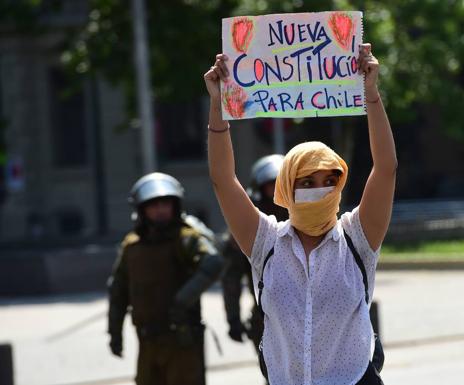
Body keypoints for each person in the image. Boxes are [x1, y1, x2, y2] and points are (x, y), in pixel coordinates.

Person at [204, 42, 396, 385]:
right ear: (287, 188)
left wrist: (372, 95)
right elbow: (222, 179)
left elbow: (385, 169)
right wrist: (218, 104)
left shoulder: (358, 239)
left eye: (329, 180)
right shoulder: (266, 242)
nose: (319, 189)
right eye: (307, 181)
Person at [107, 172, 224, 385]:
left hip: (181, 341)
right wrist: (115, 332)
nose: (160, 210)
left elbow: (213, 262)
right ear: (141, 209)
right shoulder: (132, 245)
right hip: (147, 341)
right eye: (153, 205)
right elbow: (118, 290)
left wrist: (183, 299)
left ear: (175, 205)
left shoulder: (186, 238)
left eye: (165, 203)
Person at [221, 154, 288, 351]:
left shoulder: (314, 222)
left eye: (283, 184)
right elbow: (231, 279)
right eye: (272, 186)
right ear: (259, 191)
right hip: (267, 318)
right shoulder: (247, 231)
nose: (279, 193)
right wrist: (233, 318)